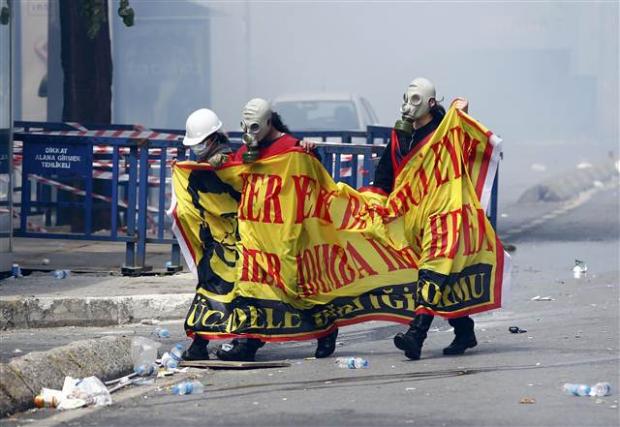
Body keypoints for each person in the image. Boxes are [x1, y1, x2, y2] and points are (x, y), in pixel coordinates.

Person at [215, 97, 339, 362]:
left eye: (255, 128)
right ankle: (248, 340)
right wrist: (217, 163)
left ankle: (324, 325)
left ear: (269, 122)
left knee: (291, 287)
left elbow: (316, 179)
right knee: (248, 286)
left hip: (283, 233)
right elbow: (234, 172)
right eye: (245, 128)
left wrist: (311, 152)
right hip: (252, 230)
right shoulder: (248, 150)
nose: (250, 135)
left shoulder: (292, 149)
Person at [372, 78, 476, 361]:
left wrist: (462, 114)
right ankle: (464, 328)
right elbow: (385, 175)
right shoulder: (399, 136)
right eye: (407, 98)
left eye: (416, 100)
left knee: (432, 271)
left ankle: (415, 336)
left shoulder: (445, 133)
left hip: (443, 214)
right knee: (441, 279)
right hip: (412, 219)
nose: (408, 105)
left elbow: (468, 142)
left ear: (432, 103)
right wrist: (374, 201)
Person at [179, 107, 233, 361]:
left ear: (212, 139)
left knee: (249, 293)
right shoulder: (199, 169)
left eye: (200, 143)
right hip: (218, 240)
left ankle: (246, 340)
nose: (196, 148)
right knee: (209, 287)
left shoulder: (235, 162)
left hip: (243, 239)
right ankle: (200, 343)